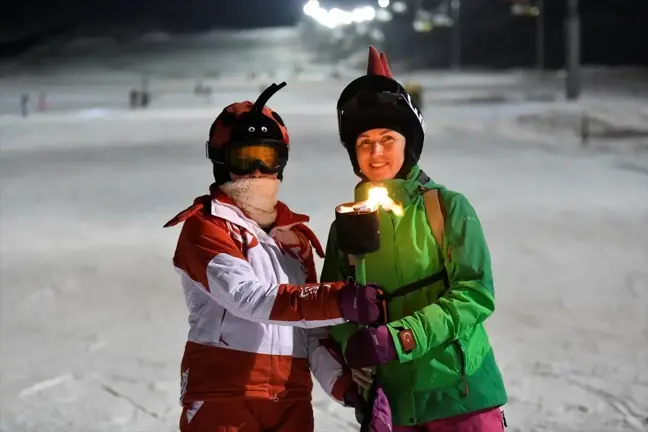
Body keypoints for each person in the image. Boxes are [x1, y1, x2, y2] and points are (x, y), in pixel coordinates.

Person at [164, 82, 381, 432]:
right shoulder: (205, 229)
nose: (256, 170)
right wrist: (339, 299)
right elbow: (246, 297)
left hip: (290, 401)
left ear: (281, 161)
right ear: (221, 160)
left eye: (267, 158)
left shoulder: (293, 239)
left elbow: (314, 335)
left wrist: (345, 387)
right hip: (225, 398)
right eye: (243, 157)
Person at [321, 47, 508, 431]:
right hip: (394, 408)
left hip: (459, 397)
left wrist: (401, 337)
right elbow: (333, 305)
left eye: (387, 138)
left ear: (408, 142)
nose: (375, 153)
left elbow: (475, 293)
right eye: (364, 142)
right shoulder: (346, 226)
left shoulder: (447, 207)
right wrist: (353, 349)